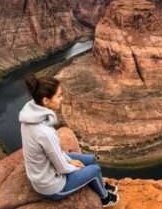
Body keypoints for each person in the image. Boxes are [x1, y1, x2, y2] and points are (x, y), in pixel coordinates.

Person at [18, 73, 119, 207]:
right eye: (59, 96)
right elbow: (62, 167)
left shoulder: (29, 117)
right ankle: (105, 198)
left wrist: (71, 160)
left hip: (45, 171)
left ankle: (98, 182)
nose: (62, 99)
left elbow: (56, 153)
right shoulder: (44, 132)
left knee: (90, 159)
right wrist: (73, 166)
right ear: (46, 101)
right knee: (94, 169)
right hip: (52, 186)